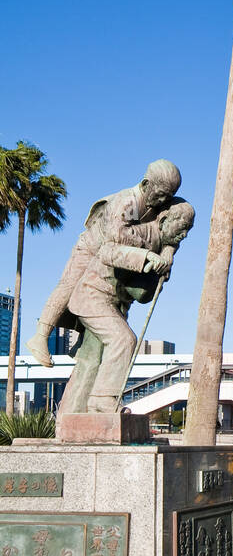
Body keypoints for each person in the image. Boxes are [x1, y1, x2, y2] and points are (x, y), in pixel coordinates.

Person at [26, 159, 182, 367]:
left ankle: (81, 342)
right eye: (160, 193)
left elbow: (173, 229)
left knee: (112, 302)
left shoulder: (158, 206)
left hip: (115, 261)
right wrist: (148, 251)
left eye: (168, 197)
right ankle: (40, 336)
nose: (163, 200)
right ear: (146, 184)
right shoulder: (130, 202)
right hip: (92, 248)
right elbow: (119, 236)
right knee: (70, 285)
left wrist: (168, 251)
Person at [57, 197, 195, 415]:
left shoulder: (163, 246)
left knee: (90, 361)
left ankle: (72, 416)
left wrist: (158, 272)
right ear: (165, 219)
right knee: (123, 339)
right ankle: (102, 400)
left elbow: (140, 294)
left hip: (112, 305)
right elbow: (107, 251)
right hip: (93, 295)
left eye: (188, 230)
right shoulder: (141, 232)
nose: (184, 234)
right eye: (183, 227)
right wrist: (145, 257)